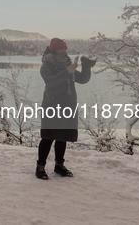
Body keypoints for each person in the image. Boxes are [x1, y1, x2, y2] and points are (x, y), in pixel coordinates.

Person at [36, 38, 96, 179]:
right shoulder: (47, 64)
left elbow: (82, 80)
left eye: (65, 49)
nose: (63, 51)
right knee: (48, 137)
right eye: (60, 48)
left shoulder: (68, 64)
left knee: (62, 137)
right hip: (52, 105)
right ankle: (40, 167)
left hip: (67, 104)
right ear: (53, 49)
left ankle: (59, 165)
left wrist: (86, 66)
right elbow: (51, 82)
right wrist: (67, 72)